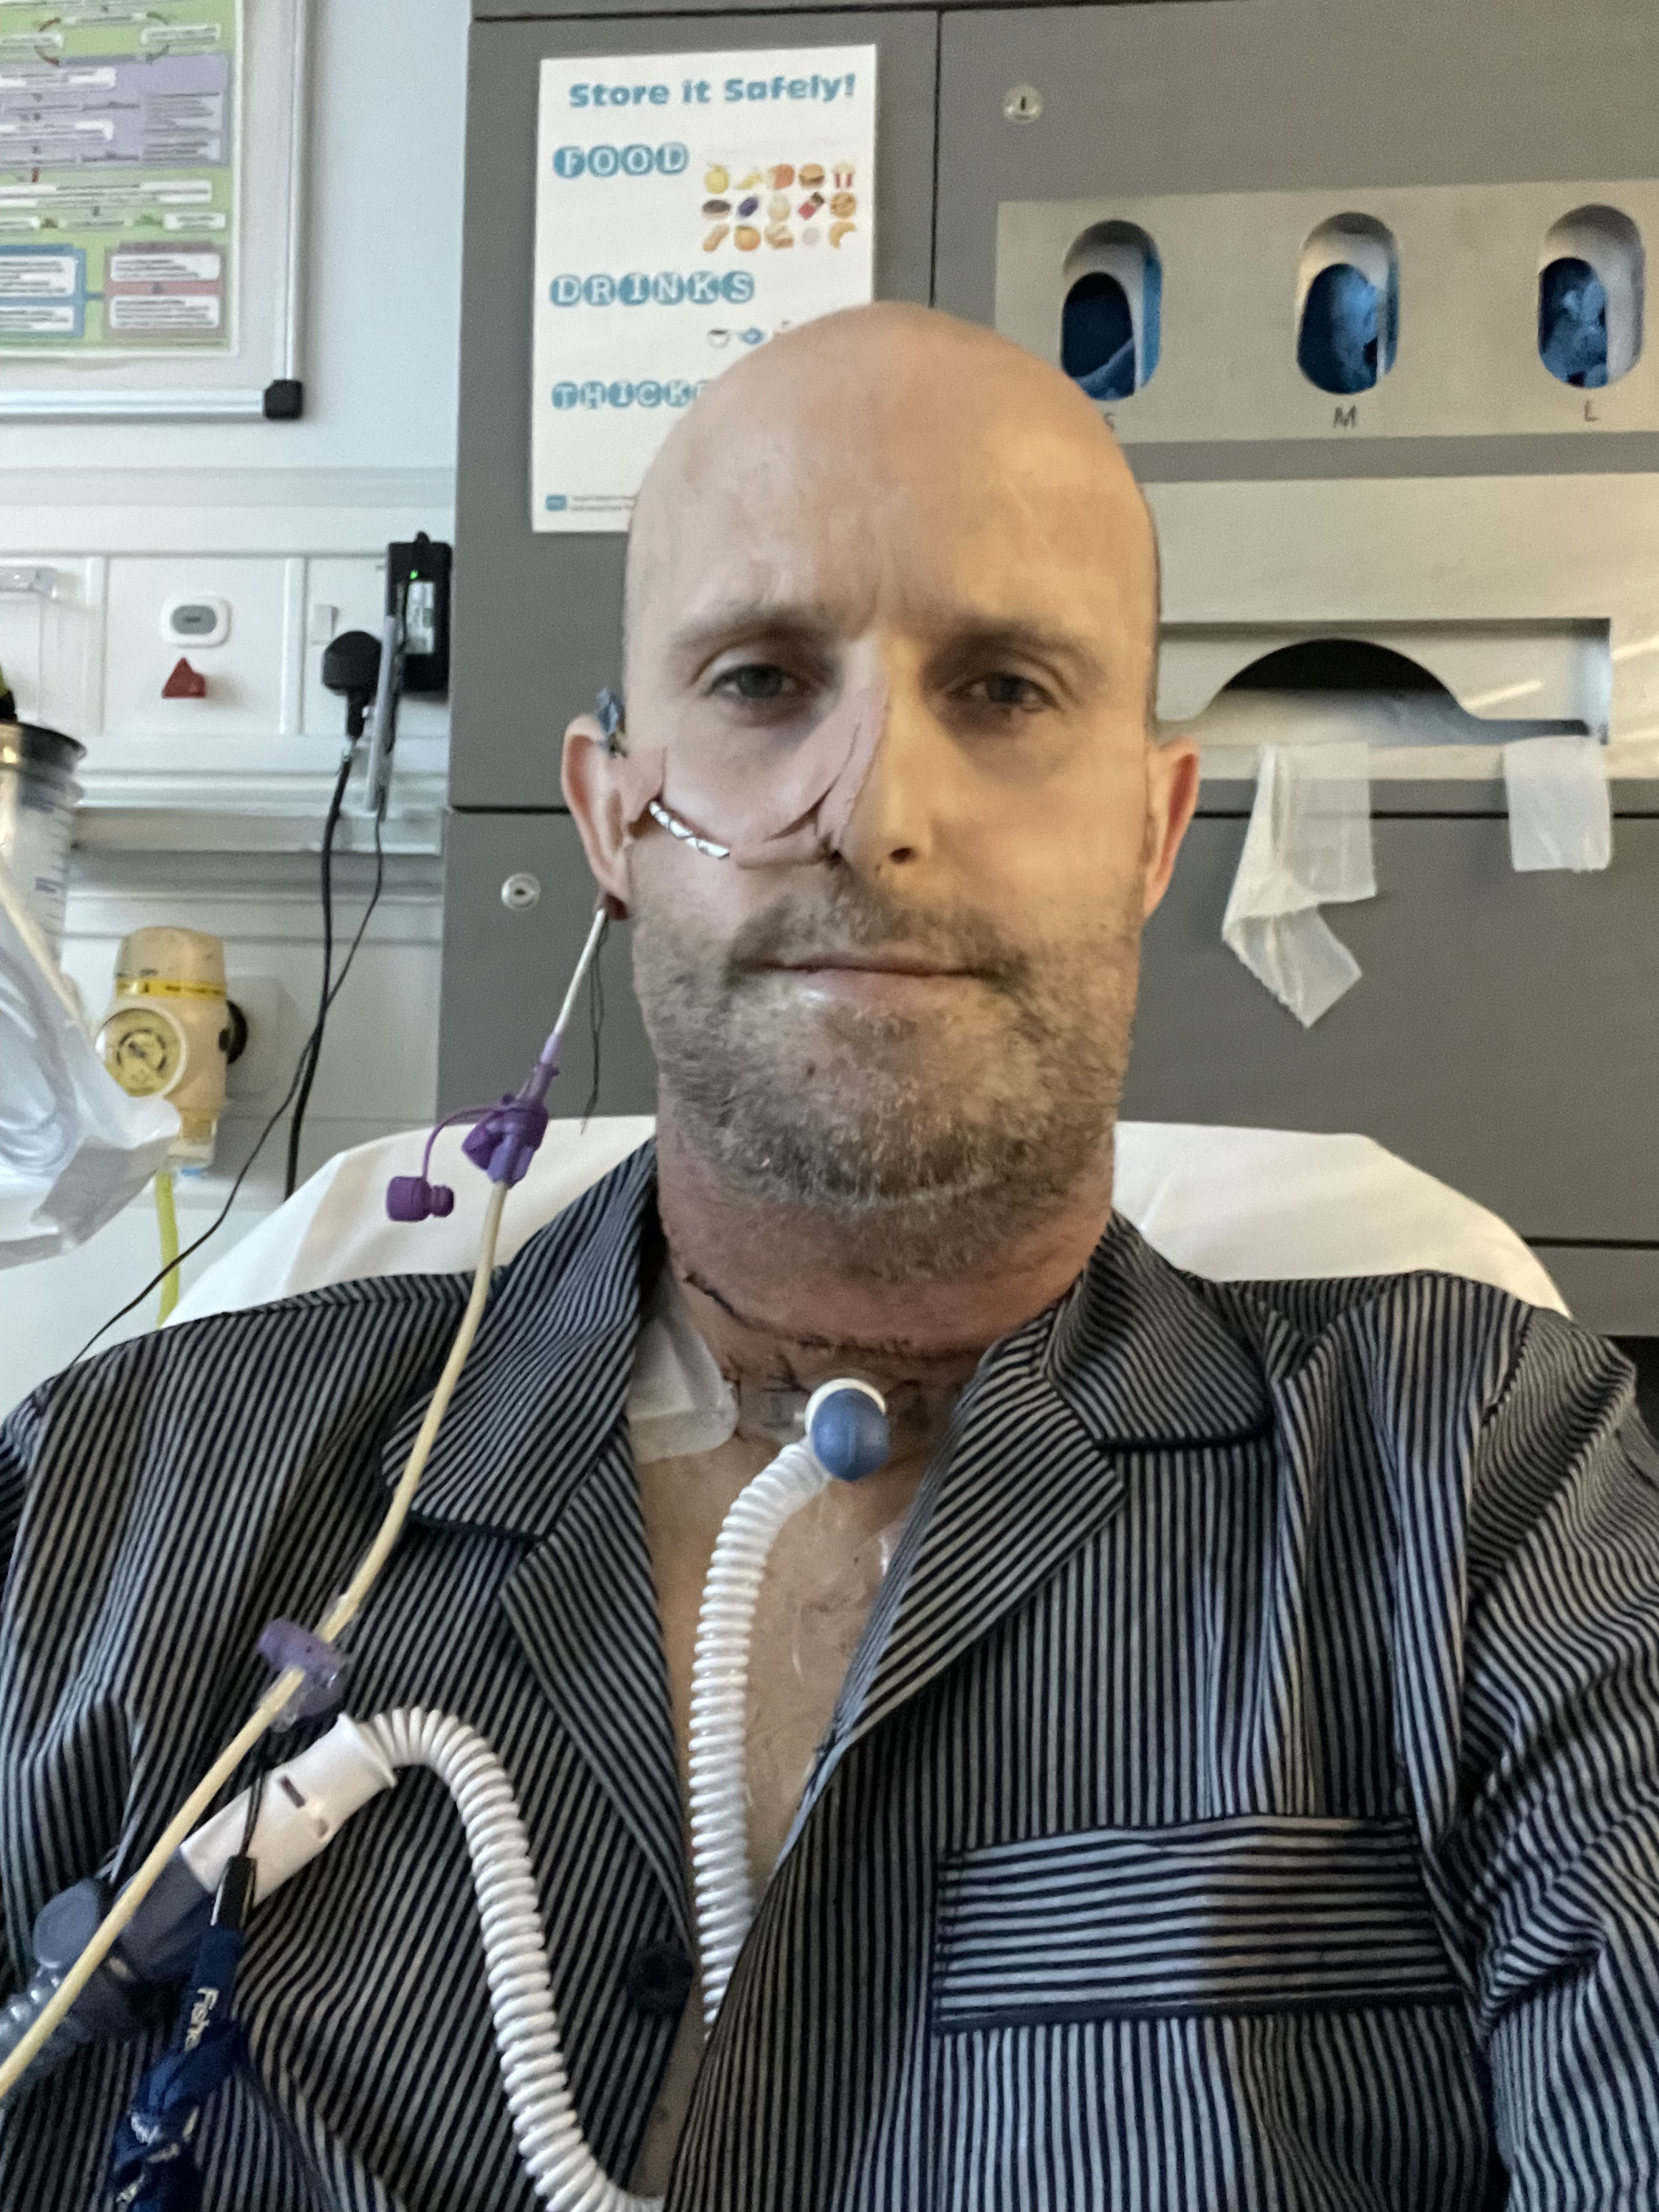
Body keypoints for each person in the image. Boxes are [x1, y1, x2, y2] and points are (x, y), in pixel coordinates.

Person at [3, 304, 1658, 2210]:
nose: (872, 810)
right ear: (614, 815)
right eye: (765, 677)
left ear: (1149, 824)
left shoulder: (1486, 1495)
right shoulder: (116, 1498)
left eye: (1009, 690)